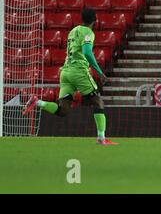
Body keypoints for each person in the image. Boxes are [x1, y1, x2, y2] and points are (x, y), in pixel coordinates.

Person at [23, 8, 117, 145]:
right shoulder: (88, 32)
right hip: (78, 71)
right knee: (97, 101)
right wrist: (100, 72)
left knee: (63, 110)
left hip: (65, 72)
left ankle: (37, 102)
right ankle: (101, 138)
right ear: (94, 21)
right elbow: (87, 52)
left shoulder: (73, 31)